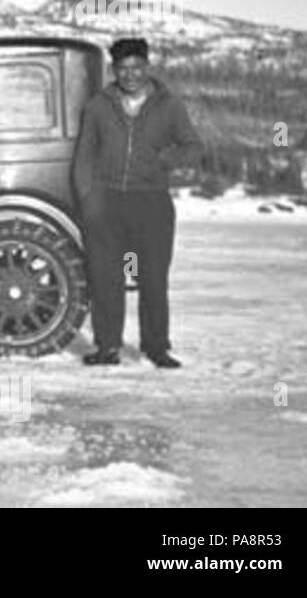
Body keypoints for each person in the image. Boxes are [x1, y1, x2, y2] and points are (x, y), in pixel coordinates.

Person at [72, 37, 203, 368]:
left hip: (152, 202)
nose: (130, 74)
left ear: (147, 67)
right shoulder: (99, 105)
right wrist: (88, 198)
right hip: (107, 201)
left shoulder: (169, 104)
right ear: (113, 70)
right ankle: (107, 347)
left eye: (136, 67)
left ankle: (156, 347)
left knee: (153, 278)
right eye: (122, 68)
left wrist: (166, 159)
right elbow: (83, 156)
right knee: (106, 278)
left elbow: (193, 146)